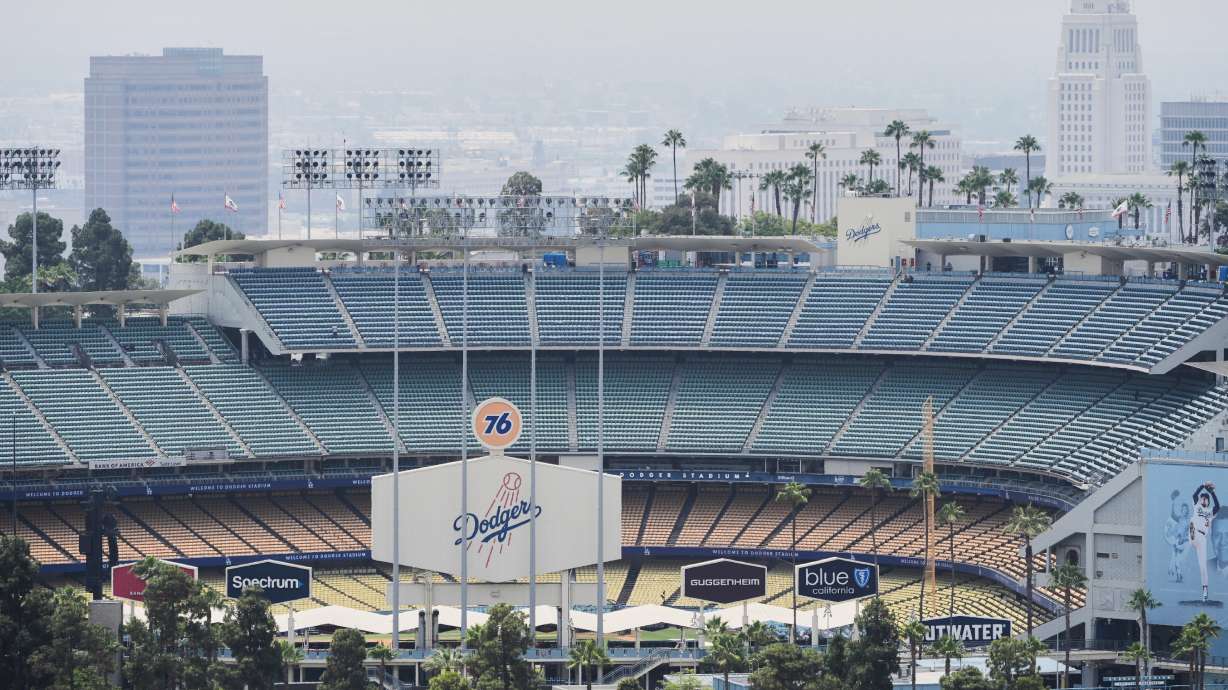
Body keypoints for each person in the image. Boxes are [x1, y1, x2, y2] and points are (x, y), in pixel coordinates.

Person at [1190, 482, 1221, 602]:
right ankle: (1191, 532)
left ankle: (1205, 590)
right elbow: (1194, 495)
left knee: (1202, 566)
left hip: (1202, 539)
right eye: (1202, 498)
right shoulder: (1196, 506)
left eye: (1206, 499)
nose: (1204, 500)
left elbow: (1217, 506)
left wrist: (1212, 493)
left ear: (1208, 501)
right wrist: (1203, 485)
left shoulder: (1210, 512)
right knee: (1192, 521)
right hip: (1194, 534)